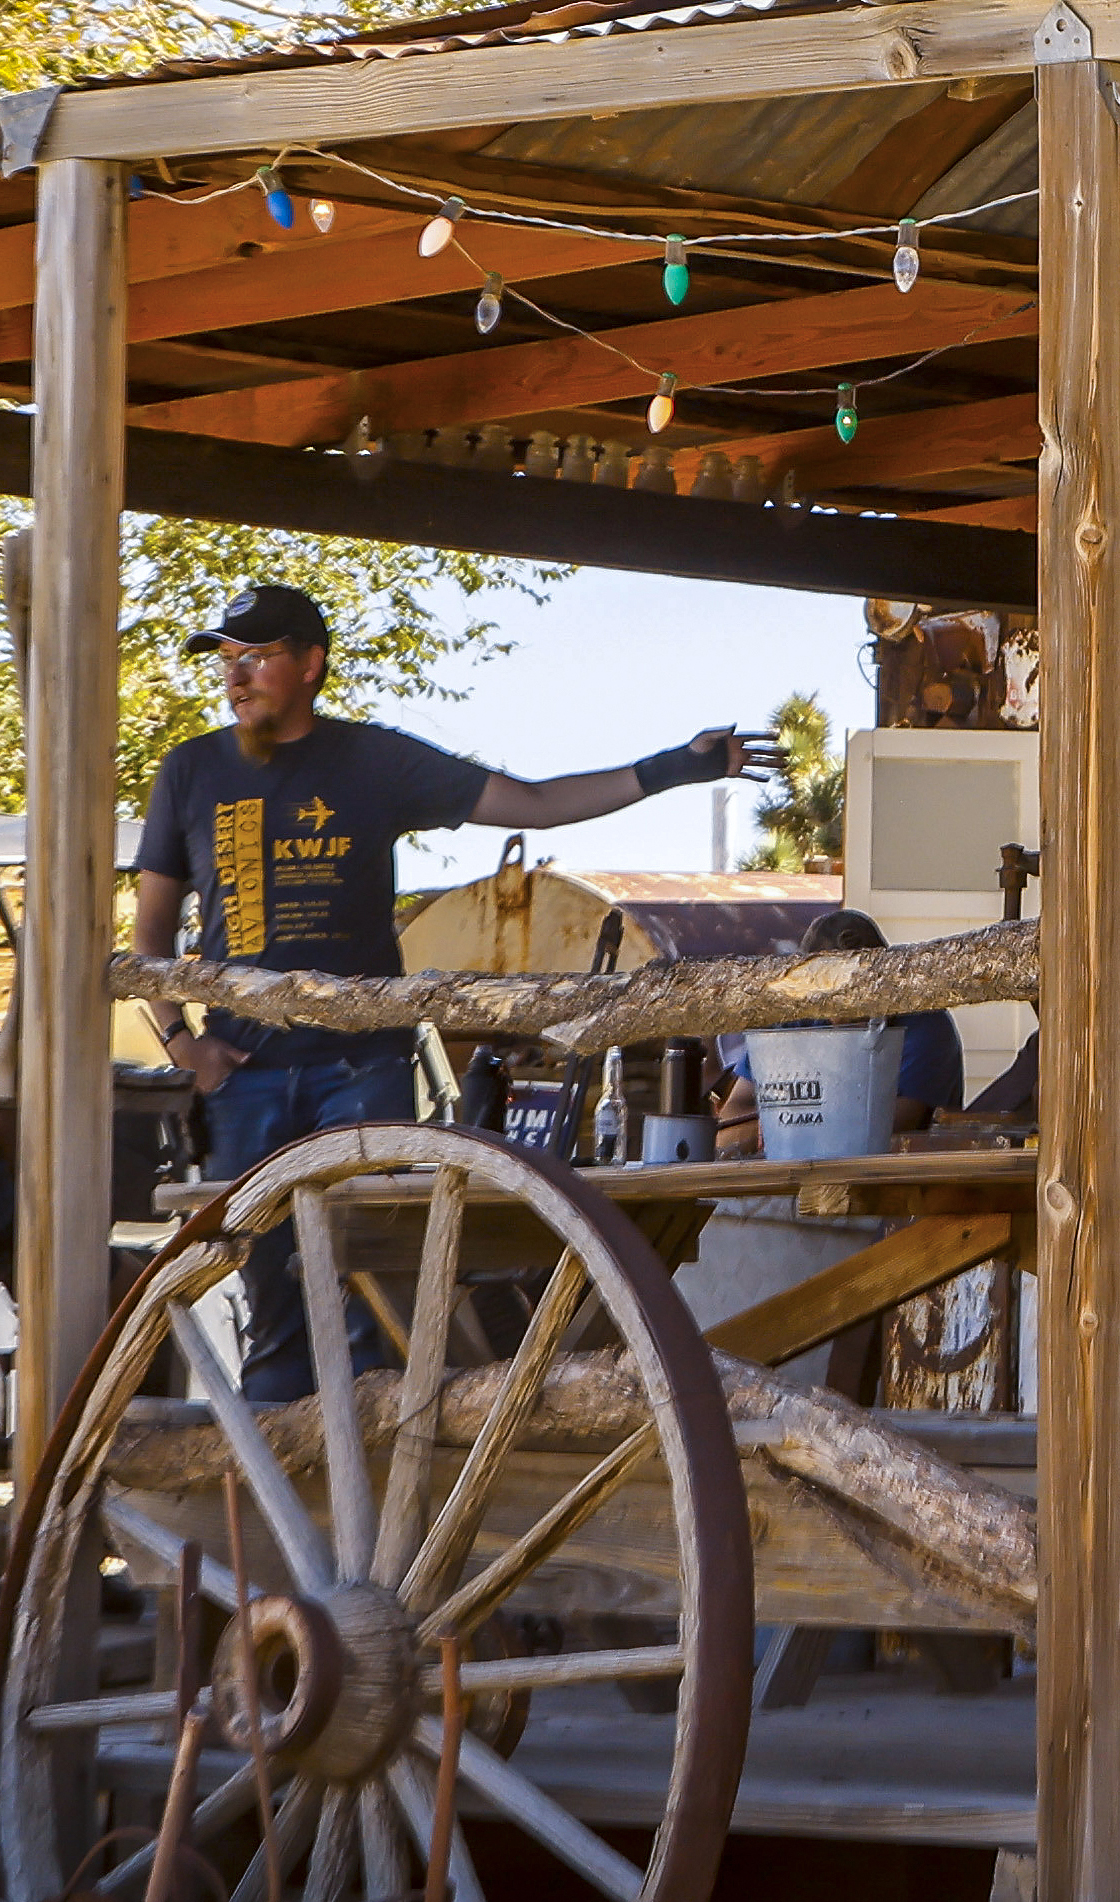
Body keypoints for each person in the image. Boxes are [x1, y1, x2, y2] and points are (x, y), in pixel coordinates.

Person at [132, 578, 752, 1395]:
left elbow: (531, 803)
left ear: (312, 663)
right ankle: (280, 1495)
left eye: (257, 656)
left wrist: (673, 768)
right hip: (243, 1077)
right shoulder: (190, 770)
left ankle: (385, 1489)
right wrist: (183, 1042)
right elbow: (148, 941)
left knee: (373, 1302)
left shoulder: (373, 759)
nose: (236, 674)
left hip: (362, 1073)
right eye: (226, 659)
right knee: (271, 1303)